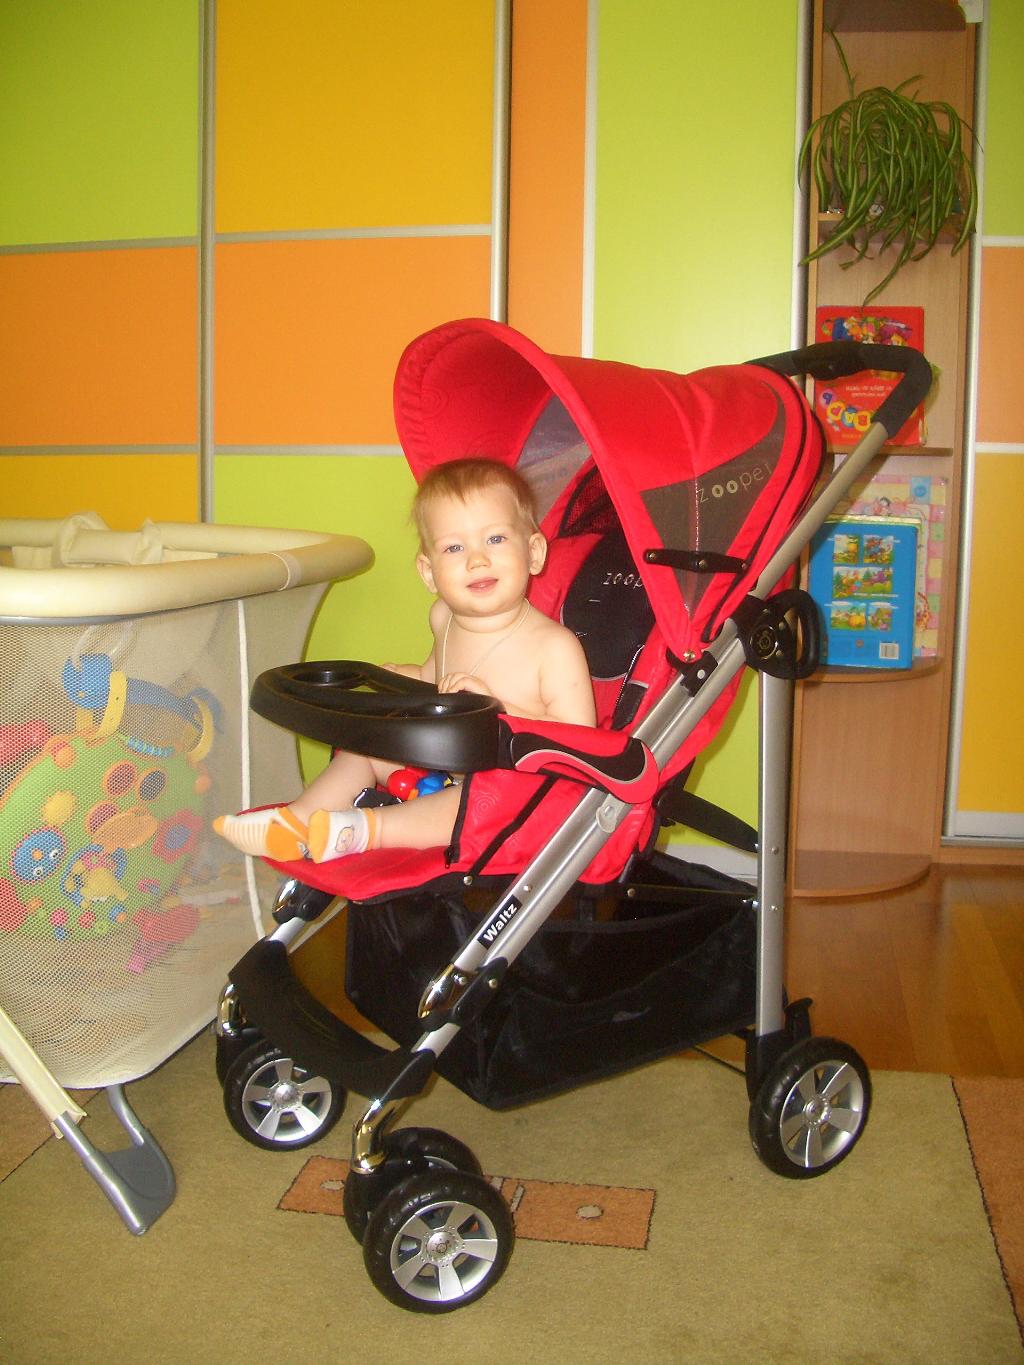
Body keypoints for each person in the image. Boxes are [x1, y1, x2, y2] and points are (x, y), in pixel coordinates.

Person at [214, 458, 596, 864]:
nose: (477, 560)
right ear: (428, 572)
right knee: (364, 747)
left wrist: (499, 709)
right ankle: (297, 822)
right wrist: (397, 679)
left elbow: (582, 744)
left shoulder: (553, 647)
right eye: (454, 547)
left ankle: (363, 830)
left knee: (472, 804)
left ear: (534, 552)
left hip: (515, 791)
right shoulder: (444, 618)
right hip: (444, 766)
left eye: (496, 539)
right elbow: (436, 680)